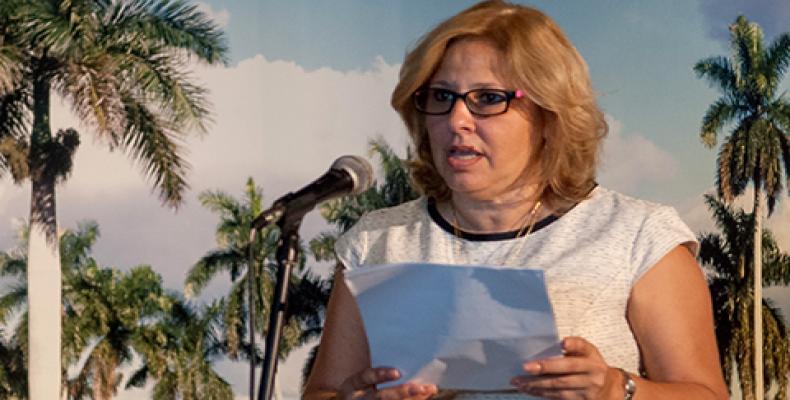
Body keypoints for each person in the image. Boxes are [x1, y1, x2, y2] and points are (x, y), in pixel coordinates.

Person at [303, 1, 729, 399]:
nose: (457, 120)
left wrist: (617, 388)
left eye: (488, 99)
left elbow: (705, 394)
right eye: (441, 97)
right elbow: (324, 391)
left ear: (549, 116)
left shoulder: (638, 237)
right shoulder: (376, 241)